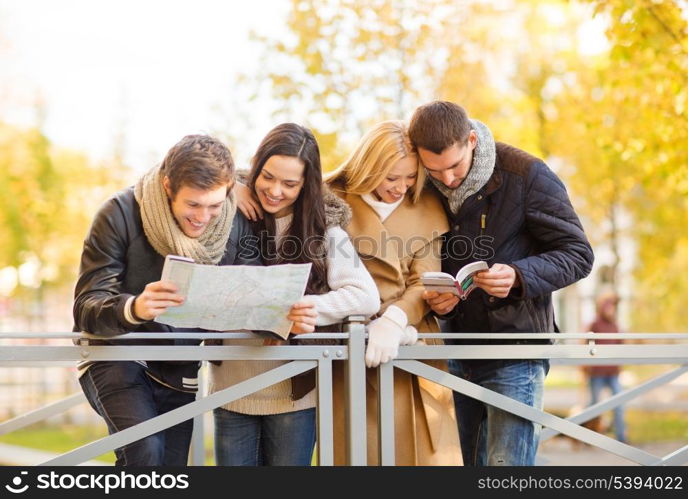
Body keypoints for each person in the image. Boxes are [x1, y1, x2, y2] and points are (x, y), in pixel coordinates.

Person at [410, 101, 594, 466]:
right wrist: (441, 298)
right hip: (454, 349)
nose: (447, 179)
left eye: (454, 166)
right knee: (459, 467)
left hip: (516, 352)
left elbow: (578, 254)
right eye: (435, 170)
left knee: (505, 469)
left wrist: (519, 275)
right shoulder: (420, 182)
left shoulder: (527, 174)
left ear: (472, 140)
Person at [72, 134, 274, 466]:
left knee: (170, 471)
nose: (203, 216)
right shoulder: (118, 213)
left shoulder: (235, 221)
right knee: (145, 453)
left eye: (214, 205)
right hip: (116, 355)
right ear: (168, 186)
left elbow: (251, 288)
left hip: (180, 364)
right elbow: (86, 305)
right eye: (193, 205)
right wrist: (134, 307)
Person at [210, 123, 380, 466]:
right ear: (255, 167)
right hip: (230, 388)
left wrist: (311, 308)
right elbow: (176, 173)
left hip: (294, 395)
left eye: (289, 184)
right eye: (267, 177)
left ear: (306, 185)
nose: (274, 191)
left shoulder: (325, 230)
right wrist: (230, 188)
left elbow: (366, 296)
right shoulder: (226, 210)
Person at [324, 120, 462, 465]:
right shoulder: (330, 200)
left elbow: (424, 281)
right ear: (368, 167)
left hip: (411, 336)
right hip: (350, 342)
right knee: (359, 450)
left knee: (422, 453)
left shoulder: (427, 206)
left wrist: (395, 320)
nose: (401, 187)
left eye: (411, 177)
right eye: (391, 177)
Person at [584, 290, 626, 443]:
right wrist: (585, 367)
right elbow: (585, 345)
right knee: (594, 407)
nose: (610, 310)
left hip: (613, 372)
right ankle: (589, 438)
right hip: (597, 372)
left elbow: (621, 345)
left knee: (619, 404)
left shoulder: (615, 325)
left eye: (612, 307)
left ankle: (621, 437)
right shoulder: (595, 324)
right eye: (607, 307)